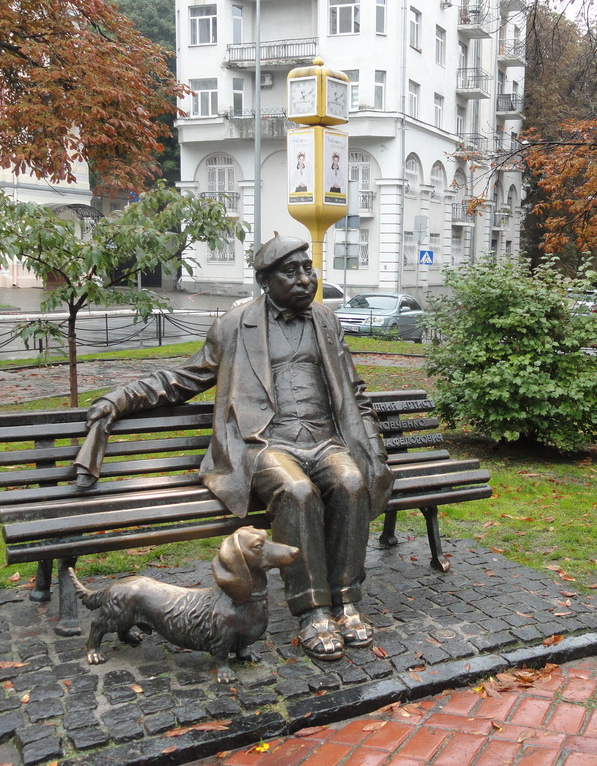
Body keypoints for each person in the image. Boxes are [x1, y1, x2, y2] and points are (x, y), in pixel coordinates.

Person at [78, 234, 394, 661]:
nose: (305, 279)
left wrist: (373, 447)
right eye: (291, 272)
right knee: (297, 491)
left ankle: (346, 600)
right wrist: (120, 398)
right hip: (263, 444)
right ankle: (313, 610)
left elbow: (353, 390)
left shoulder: (326, 320)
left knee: (353, 482)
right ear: (265, 280)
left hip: (324, 440)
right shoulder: (234, 325)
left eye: (308, 269)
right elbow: (183, 379)